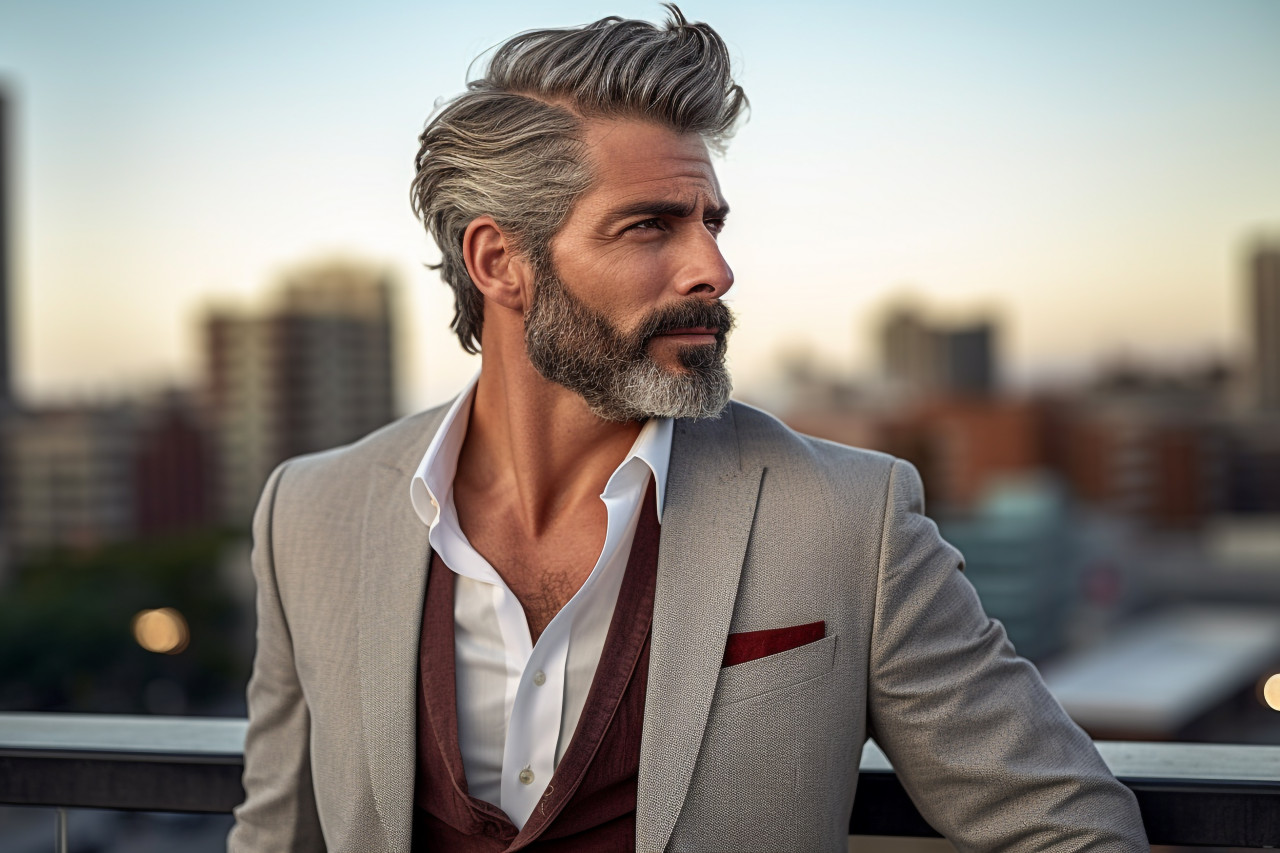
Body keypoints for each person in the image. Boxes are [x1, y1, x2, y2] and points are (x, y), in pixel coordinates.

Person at [228, 7, 1148, 852]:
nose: (714, 267)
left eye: (710, 221)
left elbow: (1067, 824)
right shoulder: (310, 514)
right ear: (499, 259)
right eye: (649, 227)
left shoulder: (846, 518)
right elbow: (276, 837)